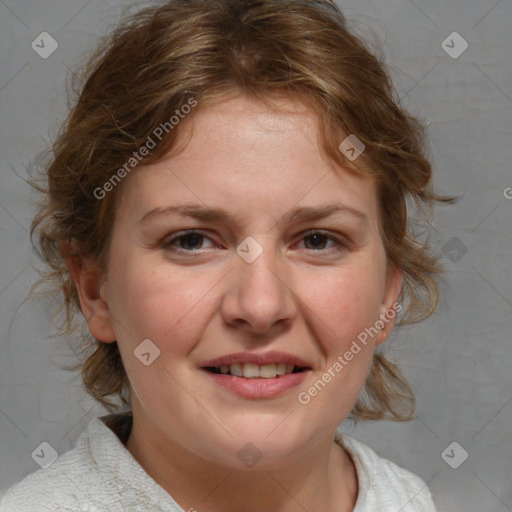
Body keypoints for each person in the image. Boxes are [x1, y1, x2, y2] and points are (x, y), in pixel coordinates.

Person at [0, 0, 451, 510]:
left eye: (318, 240)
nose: (260, 306)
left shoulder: (409, 499)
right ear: (94, 289)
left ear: (388, 294)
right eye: (191, 240)